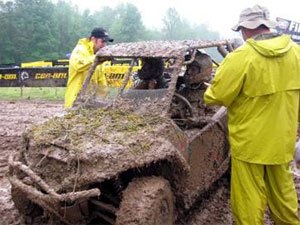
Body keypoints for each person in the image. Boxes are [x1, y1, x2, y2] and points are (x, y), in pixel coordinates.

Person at [204, 5, 300, 225]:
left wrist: (208, 89)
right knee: (284, 197)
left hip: (249, 146)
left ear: (244, 30)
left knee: (248, 200)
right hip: (282, 142)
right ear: (268, 26)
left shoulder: (240, 58)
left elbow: (215, 97)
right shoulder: (297, 53)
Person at [64, 27, 113, 108]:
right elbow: (78, 65)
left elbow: (101, 83)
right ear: (93, 39)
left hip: (89, 102)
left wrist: (103, 102)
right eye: (102, 41)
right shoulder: (80, 49)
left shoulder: (97, 56)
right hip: (75, 101)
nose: (104, 45)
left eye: (106, 42)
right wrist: (97, 59)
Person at [173, 50, 215, 128]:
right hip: (183, 129)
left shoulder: (213, 92)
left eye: (193, 69)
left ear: (203, 71)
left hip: (202, 132)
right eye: (187, 69)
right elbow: (178, 107)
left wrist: (198, 121)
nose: (188, 72)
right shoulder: (185, 91)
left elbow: (216, 118)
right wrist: (173, 111)